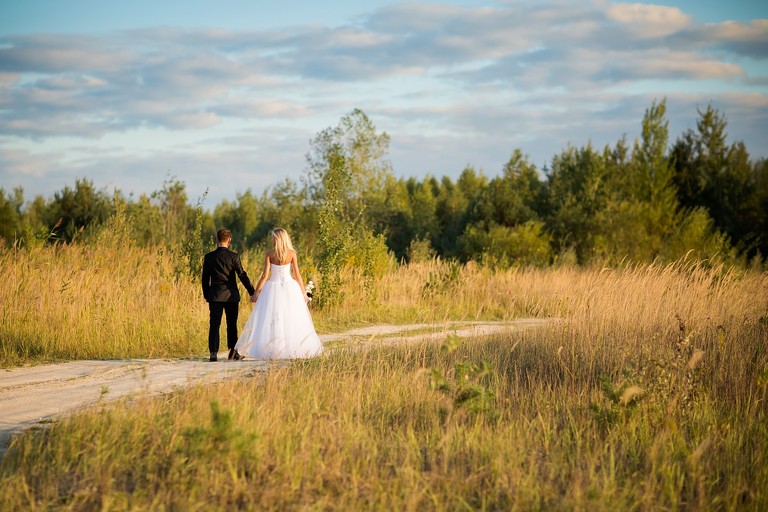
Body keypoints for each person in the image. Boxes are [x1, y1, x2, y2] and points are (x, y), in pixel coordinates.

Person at [235, 228, 323, 359]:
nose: (271, 239)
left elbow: (265, 275)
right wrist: (303, 293)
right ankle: (292, 348)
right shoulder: (292, 253)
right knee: (290, 317)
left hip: (272, 288)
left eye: (273, 237)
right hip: (290, 288)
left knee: (271, 319)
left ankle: (272, 348)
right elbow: (297, 275)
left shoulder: (269, 254)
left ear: (277, 239)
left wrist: (256, 293)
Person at [201, 228, 255, 362]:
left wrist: (207, 294)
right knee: (232, 324)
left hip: (215, 295)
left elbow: (204, 278)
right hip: (231, 296)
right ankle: (232, 353)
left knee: (214, 324)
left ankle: (213, 353)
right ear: (229, 239)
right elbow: (242, 275)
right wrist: (252, 291)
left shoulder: (209, 257)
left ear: (217, 239)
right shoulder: (234, 256)